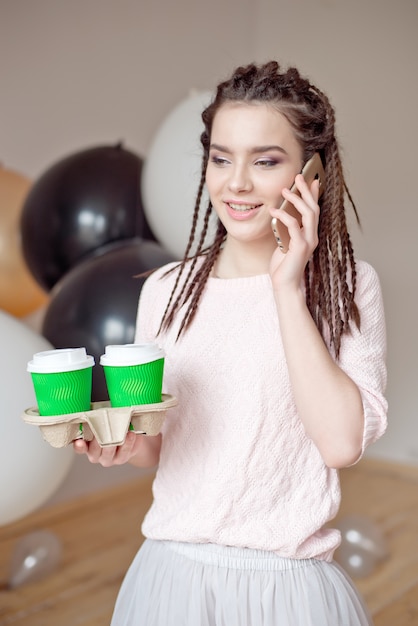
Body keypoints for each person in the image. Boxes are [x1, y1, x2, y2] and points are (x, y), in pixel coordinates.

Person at [74, 61, 388, 625]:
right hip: (173, 580)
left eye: (265, 161)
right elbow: (157, 447)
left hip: (288, 590)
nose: (235, 183)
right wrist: (117, 444)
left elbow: (342, 443)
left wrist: (288, 288)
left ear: (310, 174)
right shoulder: (168, 292)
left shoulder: (346, 287)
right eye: (221, 158)